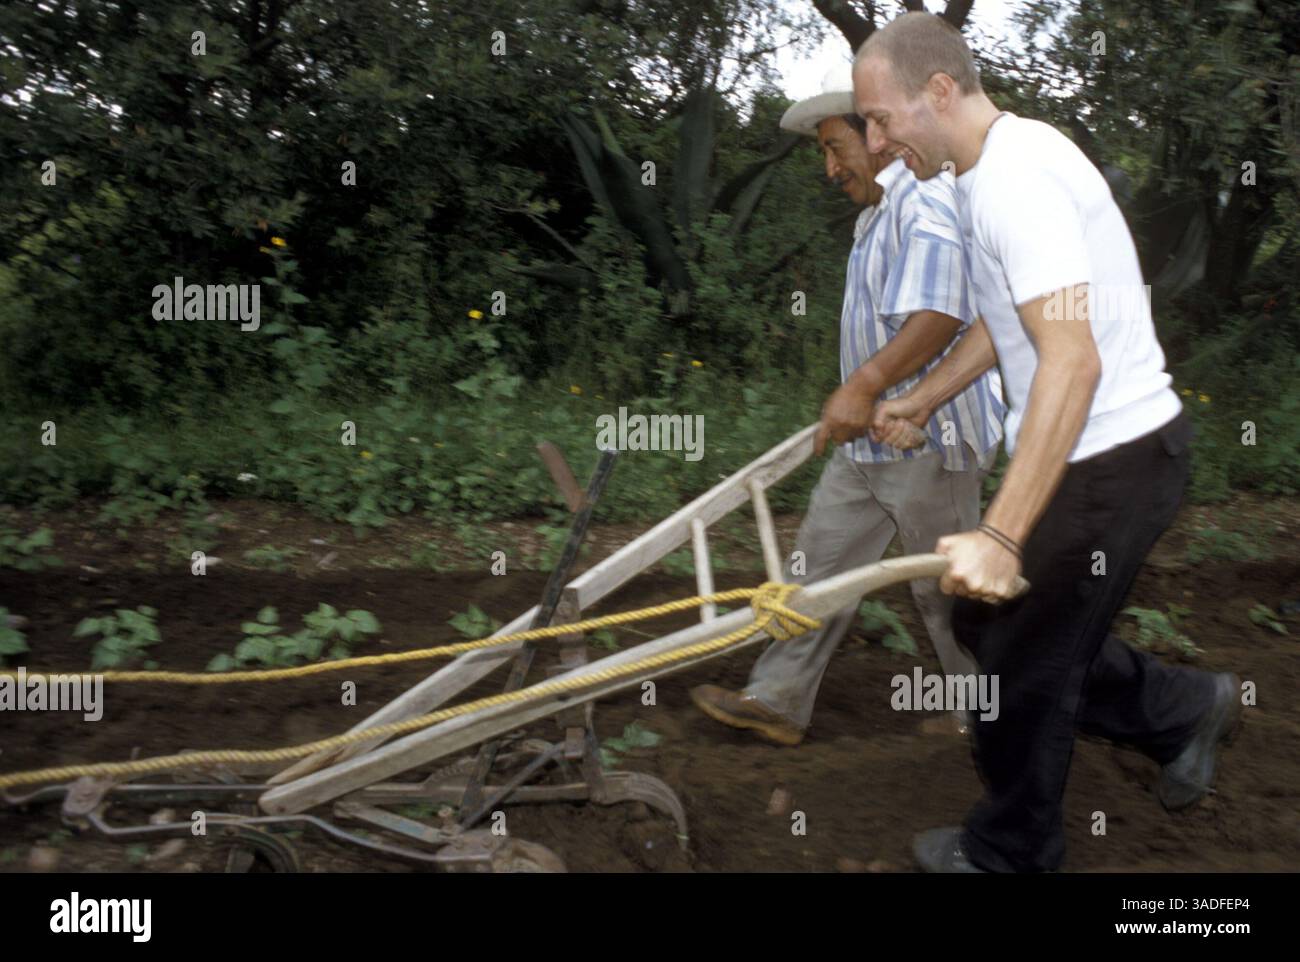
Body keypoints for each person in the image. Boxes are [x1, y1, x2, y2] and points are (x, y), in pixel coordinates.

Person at [857, 11, 1240, 872]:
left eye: (882, 119)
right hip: (1097, 452)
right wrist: (923, 397)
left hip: (1113, 454)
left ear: (942, 91)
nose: (875, 143)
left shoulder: (1013, 182)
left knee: (1020, 658)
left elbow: (1071, 360)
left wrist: (1000, 534)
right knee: (992, 626)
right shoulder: (983, 169)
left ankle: (1009, 852)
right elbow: (1013, 321)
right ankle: (1182, 709)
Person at [690, 63, 1004, 745]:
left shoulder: (922, 200)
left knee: (941, 586)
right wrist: (862, 397)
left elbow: (941, 314)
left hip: (930, 435)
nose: (830, 169)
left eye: (836, 147)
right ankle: (778, 698)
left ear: (880, 133)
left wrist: (863, 386)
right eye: (824, 153)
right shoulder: (877, 218)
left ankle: (988, 717)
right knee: (819, 565)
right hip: (869, 441)